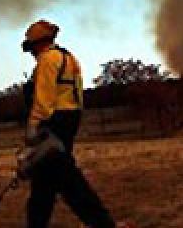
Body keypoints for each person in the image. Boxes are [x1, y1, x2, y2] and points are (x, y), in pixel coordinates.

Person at [21, 19, 117, 228]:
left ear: (38, 44)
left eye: (31, 48)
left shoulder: (47, 60)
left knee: (68, 181)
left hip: (52, 123)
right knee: (44, 181)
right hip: (70, 119)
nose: (31, 53)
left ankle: (103, 224)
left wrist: (33, 128)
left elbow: (43, 101)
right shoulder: (69, 57)